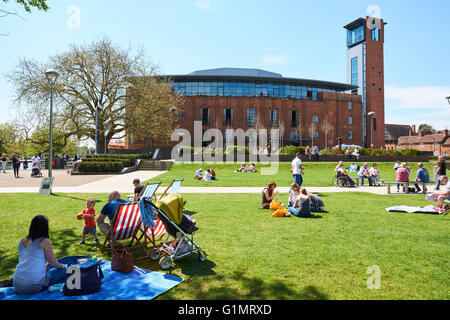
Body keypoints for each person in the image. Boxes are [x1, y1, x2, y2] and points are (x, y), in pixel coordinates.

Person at [11, 216, 66, 294]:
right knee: (65, 270)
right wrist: (61, 266)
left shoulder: (22, 241)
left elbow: (27, 260)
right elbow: (53, 263)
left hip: (16, 284)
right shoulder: (45, 241)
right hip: (33, 286)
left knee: (47, 271)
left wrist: (42, 267)